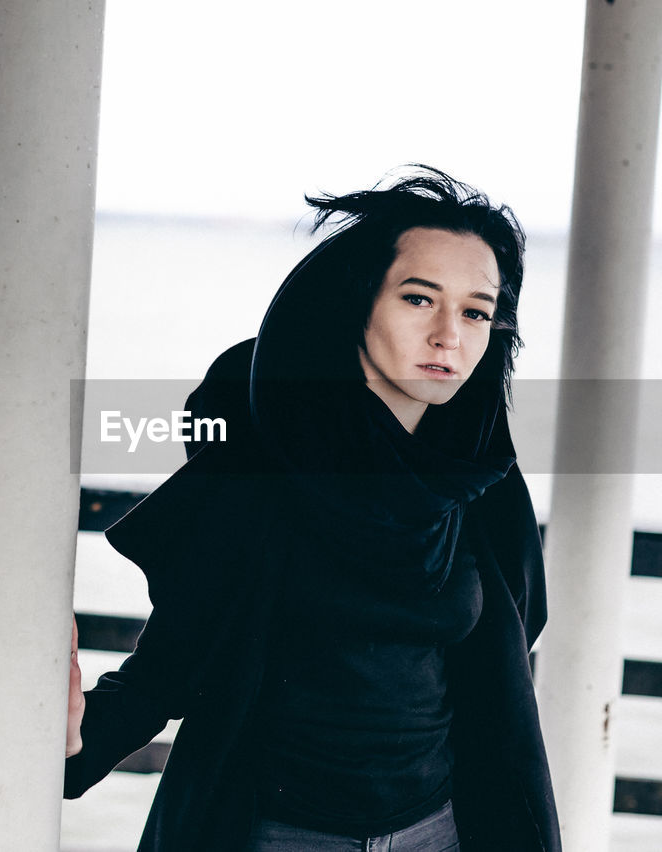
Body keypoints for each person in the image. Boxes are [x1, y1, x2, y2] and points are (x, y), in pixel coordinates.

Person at [64, 167, 560, 852]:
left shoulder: (481, 481)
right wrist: (74, 735)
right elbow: (174, 662)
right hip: (277, 833)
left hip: (439, 829)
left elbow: (509, 647)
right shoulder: (262, 467)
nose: (451, 334)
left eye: (476, 310)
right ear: (355, 303)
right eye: (420, 299)